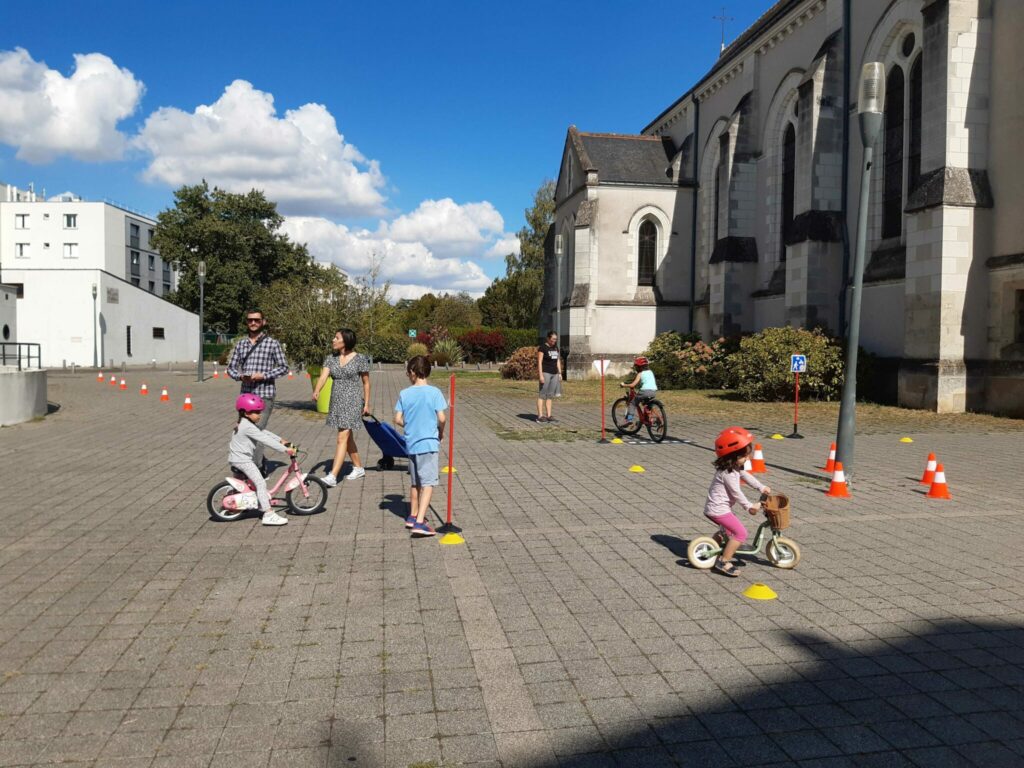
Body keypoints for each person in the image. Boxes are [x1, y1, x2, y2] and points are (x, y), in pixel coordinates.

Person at [703, 427, 771, 577]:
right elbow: (736, 492)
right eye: (745, 455)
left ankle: (710, 549)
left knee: (726, 532)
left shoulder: (733, 468)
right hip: (718, 510)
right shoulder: (727, 473)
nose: (748, 458)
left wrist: (761, 487)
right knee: (740, 533)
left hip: (717, 508)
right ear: (732, 456)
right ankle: (723, 561)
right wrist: (749, 507)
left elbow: (747, 476)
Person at [226, 309, 288, 473]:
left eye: (257, 320)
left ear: (263, 322)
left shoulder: (272, 343)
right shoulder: (241, 344)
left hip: (264, 393)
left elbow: (283, 368)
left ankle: (258, 468)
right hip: (246, 396)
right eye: (250, 320)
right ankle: (251, 461)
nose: (253, 323)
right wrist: (240, 377)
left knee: (257, 431)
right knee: (243, 430)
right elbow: (231, 368)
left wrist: (264, 375)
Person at [394, 355, 447, 538]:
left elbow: (397, 419)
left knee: (416, 482)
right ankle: (420, 522)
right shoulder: (435, 392)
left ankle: (412, 515)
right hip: (428, 443)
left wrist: (411, 426)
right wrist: (440, 432)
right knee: (429, 483)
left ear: (413, 372)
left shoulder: (404, 393)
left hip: (412, 444)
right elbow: (441, 418)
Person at [312, 328, 371, 487]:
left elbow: (366, 382)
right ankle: (358, 467)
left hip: (352, 402)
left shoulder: (360, 359)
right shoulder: (331, 359)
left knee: (341, 438)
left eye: (336, 337)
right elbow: (323, 376)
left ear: (345, 340)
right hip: (336, 401)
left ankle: (333, 476)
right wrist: (317, 390)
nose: (333, 340)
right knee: (347, 437)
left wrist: (366, 403)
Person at [228, 394, 295, 526]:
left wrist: (280, 440)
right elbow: (263, 439)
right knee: (260, 483)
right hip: (242, 460)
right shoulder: (247, 426)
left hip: (237, 458)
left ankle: (237, 503)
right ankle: (268, 514)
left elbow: (263, 432)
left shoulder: (245, 423)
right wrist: (284, 449)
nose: (259, 415)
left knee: (246, 484)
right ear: (246, 413)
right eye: (257, 412)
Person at [620, 356, 658, 421]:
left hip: (644, 391)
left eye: (636, 366)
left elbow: (633, 385)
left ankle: (629, 420)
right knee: (646, 403)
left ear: (639, 367)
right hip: (653, 391)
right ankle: (650, 418)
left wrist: (624, 385)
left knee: (632, 403)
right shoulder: (650, 372)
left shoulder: (640, 374)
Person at [536, 331, 562, 423]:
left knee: (550, 395)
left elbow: (558, 360)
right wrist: (540, 375)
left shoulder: (555, 348)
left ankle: (549, 415)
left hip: (554, 373)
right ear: (548, 338)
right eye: (553, 339)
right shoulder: (542, 348)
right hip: (545, 373)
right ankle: (540, 416)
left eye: (555, 339)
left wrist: (559, 373)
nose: (554, 341)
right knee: (542, 394)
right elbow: (539, 362)